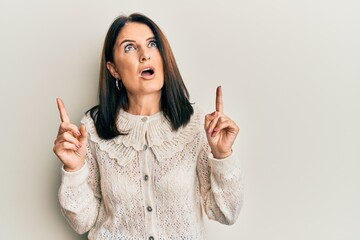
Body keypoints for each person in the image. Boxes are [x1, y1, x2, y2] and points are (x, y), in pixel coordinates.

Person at [53, 13, 243, 240]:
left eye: (152, 44)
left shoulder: (195, 124)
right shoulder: (93, 129)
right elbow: (83, 222)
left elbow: (226, 213)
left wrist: (222, 156)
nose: (145, 55)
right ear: (114, 70)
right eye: (130, 48)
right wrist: (74, 170)